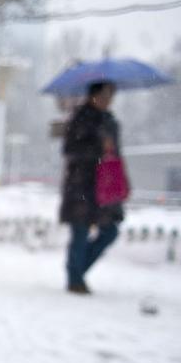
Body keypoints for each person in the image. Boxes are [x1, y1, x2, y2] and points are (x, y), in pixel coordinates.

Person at [60, 81, 124, 295]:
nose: (108, 100)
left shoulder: (111, 122)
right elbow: (70, 150)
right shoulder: (80, 119)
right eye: (104, 96)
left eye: (110, 96)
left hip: (105, 184)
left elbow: (116, 155)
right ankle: (75, 278)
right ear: (93, 96)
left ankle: (77, 270)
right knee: (80, 230)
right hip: (82, 185)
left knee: (110, 231)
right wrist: (98, 147)